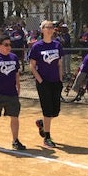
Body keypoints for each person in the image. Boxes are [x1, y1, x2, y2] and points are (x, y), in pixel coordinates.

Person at [29, 20, 64, 148]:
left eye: (51, 27)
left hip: (55, 81)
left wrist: (60, 79)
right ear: (42, 30)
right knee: (47, 110)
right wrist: (41, 81)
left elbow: (59, 64)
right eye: (46, 27)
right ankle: (47, 138)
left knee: (55, 111)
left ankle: (42, 123)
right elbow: (32, 66)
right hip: (43, 82)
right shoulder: (37, 46)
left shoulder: (57, 45)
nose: (49, 29)